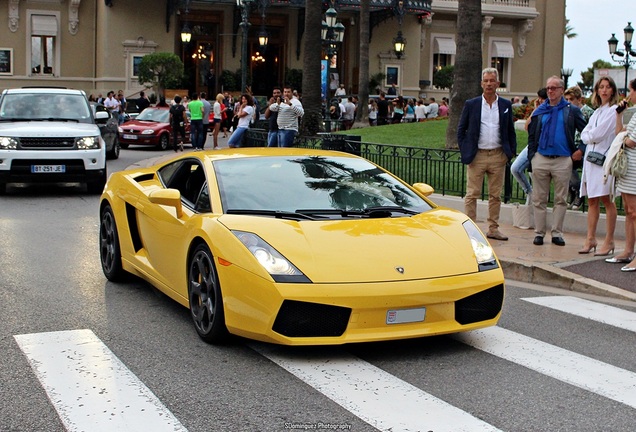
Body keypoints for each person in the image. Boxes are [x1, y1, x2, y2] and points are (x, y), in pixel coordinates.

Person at [457, 67, 517, 241]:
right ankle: (471, 230)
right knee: (472, 194)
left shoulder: (505, 105)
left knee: (495, 195)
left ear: (498, 83)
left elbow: (510, 130)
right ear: (481, 83)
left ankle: (493, 228)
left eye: (492, 81)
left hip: (498, 155)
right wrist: (466, 150)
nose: (489, 84)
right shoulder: (472, 104)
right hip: (478, 155)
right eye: (486, 81)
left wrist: (509, 153)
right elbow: (461, 130)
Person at [527, 75, 587, 246]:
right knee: (539, 198)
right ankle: (539, 233)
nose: (550, 91)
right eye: (548, 88)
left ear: (561, 90)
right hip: (541, 158)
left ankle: (557, 233)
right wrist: (533, 156)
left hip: (562, 159)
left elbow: (586, 132)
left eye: (554, 88)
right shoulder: (539, 111)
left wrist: (580, 150)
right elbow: (532, 134)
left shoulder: (571, 110)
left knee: (560, 198)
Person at [577, 77, 619, 255]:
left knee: (606, 200)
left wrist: (589, 136)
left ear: (612, 90)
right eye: (601, 87)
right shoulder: (597, 112)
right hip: (590, 160)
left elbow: (598, 134)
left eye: (608, 87)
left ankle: (609, 240)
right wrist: (589, 136)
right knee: (592, 199)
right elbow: (585, 133)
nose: (604, 90)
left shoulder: (613, 110)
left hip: (603, 160)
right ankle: (590, 238)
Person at [606, 78, 636, 271]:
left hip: (634, 170)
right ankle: (628, 250)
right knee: (628, 210)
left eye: (632, 91)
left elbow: (632, 141)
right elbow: (620, 133)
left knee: (635, 212)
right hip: (627, 170)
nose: (629, 95)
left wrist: (622, 139)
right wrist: (619, 115)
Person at [511, 88, 548, 202]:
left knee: (537, 178)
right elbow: (527, 126)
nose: (540, 101)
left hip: (543, 148)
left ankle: (537, 200)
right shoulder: (538, 111)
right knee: (515, 168)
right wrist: (535, 110)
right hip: (532, 146)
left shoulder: (551, 111)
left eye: (543, 98)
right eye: (539, 98)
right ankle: (529, 191)